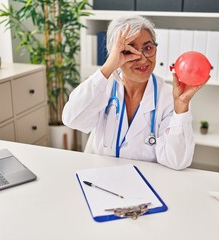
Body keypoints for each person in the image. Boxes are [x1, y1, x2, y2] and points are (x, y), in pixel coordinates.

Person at [62, 15, 208, 170]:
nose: (143, 59)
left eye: (148, 47)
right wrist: (108, 67)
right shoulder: (102, 86)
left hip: (147, 185)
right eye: (129, 51)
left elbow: (177, 162)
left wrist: (181, 108)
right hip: (101, 179)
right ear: (116, 55)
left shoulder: (169, 97)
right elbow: (72, 118)